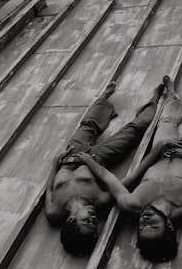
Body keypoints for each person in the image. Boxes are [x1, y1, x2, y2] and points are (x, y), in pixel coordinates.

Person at [76, 74, 182, 264]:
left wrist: (88, 160)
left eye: (141, 227)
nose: (145, 221)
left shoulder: (132, 203)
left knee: (166, 120)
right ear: (168, 225)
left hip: (163, 151)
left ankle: (171, 94)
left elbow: (107, 177)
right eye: (153, 225)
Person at [45, 79, 166, 256]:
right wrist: (155, 152)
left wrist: (55, 163)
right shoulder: (100, 201)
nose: (94, 219)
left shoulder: (54, 212)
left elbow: (49, 189)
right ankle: (154, 99)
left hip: (69, 155)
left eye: (87, 222)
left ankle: (104, 97)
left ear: (72, 220)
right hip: (99, 156)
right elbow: (129, 180)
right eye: (95, 224)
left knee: (88, 124)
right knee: (135, 130)